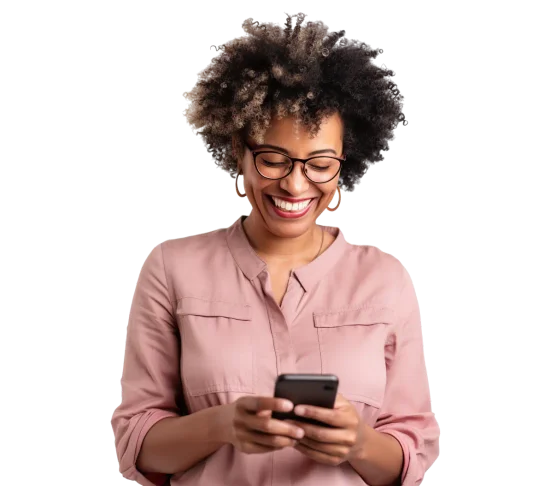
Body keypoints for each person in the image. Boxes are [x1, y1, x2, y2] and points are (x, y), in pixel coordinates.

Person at [113, 14, 440, 486]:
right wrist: (222, 425)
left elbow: (410, 453)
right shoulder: (172, 268)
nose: (294, 183)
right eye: (272, 158)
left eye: (320, 164)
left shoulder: (385, 279)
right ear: (238, 154)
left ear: (343, 167)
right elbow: (137, 447)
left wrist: (359, 443)